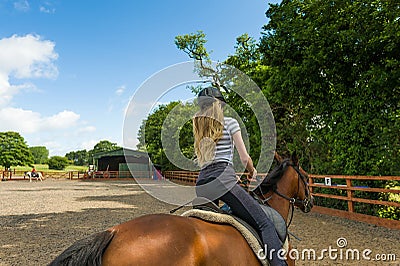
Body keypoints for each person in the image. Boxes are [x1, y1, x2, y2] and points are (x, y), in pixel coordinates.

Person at [193, 87, 287, 266]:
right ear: (219, 104)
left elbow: (206, 161)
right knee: (265, 223)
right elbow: (244, 158)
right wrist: (252, 172)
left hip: (202, 183)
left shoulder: (200, 129)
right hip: (223, 181)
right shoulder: (230, 122)